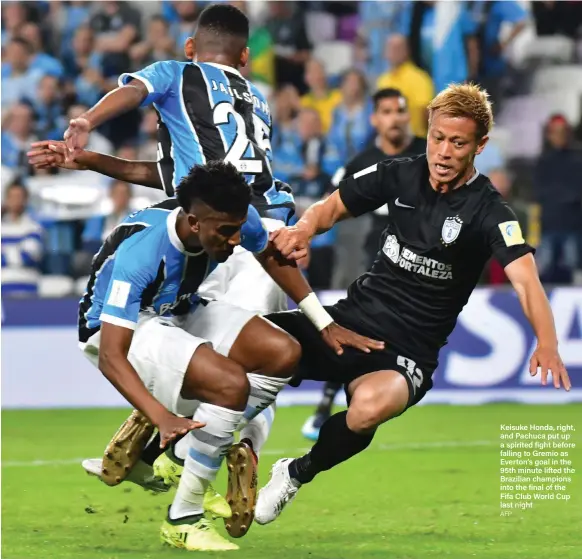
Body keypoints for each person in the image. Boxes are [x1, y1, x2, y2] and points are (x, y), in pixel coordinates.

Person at [254, 83, 572, 526]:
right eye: (437, 138)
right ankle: (182, 439)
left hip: (408, 351)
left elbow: (526, 281)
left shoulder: (491, 212)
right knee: (249, 342)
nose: (443, 151)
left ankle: (294, 472)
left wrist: (548, 342)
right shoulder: (398, 174)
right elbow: (331, 208)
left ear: (480, 146)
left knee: (367, 410)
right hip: (349, 319)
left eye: (458, 143)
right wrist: (302, 233)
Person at [78, 160, 382, 550]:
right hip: (115, 329)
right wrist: (161, 418)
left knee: (283, 353)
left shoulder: (236, 219)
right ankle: (184, 516)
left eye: (239, 228)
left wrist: (323, 322)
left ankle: (183, 453)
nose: (237, 240)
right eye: (225, 232)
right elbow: (110, 356)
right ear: (192, 223)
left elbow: (270, 257)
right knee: (228, 385)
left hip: (179, 307)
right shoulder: (140, 254)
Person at [301, 87, 427, 441]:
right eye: (386, 111)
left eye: (400, 111)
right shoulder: (361, 163)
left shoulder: (429, 152)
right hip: (375, 250)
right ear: (375, 119)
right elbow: (330, 203)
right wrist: (307, 235)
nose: (394, 118)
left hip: (422, 256)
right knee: (355, 327)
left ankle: (362, 396)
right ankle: (329, 403)